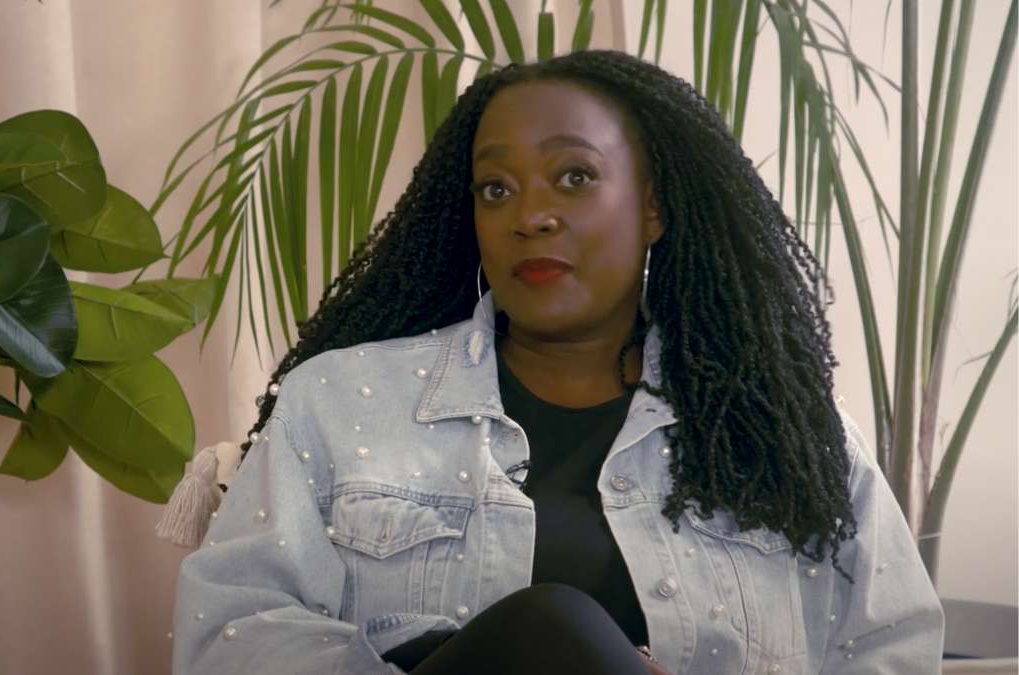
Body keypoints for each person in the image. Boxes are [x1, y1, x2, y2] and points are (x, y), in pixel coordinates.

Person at [171, 49, 943, 674]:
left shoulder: (792, 435)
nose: (530, 215)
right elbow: (228, 639)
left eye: (574, 176)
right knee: (550, 629)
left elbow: (892, 647)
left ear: (653, 207)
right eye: (495, 188)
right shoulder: (338, 403)